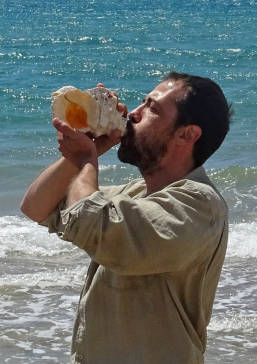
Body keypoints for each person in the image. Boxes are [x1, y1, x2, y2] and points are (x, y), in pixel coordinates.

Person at [21, 72, 232, 364]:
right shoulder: (134, 194)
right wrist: (83, 155)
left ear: (187, 134)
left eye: (152, 108)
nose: (133, 113)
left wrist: (86, 162)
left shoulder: (199, 204)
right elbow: (37, 206)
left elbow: (93, 224)